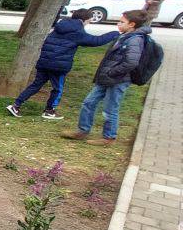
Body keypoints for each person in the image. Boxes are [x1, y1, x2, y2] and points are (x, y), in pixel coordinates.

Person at [6, 9, 118, 119]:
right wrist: (114, 33)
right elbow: (96, 41)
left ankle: (16, 105)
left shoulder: (59, 27)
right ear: (84, 20)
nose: (88, 24)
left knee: (35, 85)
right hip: (58, 66)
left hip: (44, 62)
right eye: (89, 21)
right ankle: (49, 111)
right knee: (57, 89)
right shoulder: (77, 32)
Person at [64, 9, 151, 143]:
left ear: (132, 24)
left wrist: (112, 72)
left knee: (110, 109)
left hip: (118, 80)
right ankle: (82, 130)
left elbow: (131, 62)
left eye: (122, 22)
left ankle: (108, 137)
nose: (118, 24)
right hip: (106, 78)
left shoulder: (135, 40)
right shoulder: (124, 36)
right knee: (89, 102)